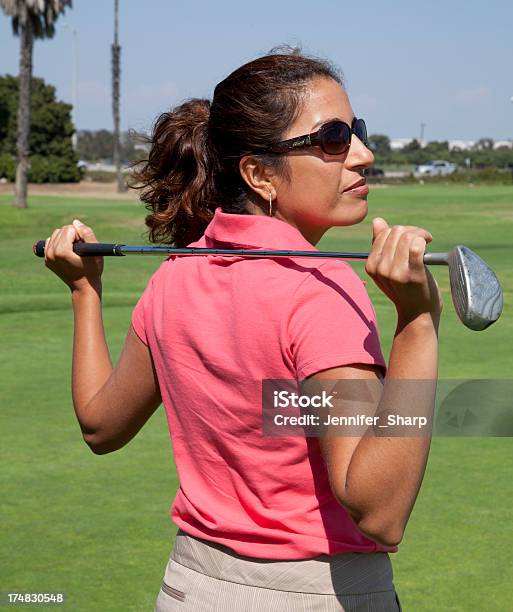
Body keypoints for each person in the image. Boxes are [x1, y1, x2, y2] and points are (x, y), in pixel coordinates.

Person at [43, 49, 442, 611]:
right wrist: (418, 323)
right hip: (314, 595)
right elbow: (380, 512)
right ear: (258, 174)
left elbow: (100, 427)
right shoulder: (321, 288)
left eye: (357, 132)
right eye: (332, 138)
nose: (363, 155)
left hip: (189, 589)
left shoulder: (174, 277)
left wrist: (85, 291)